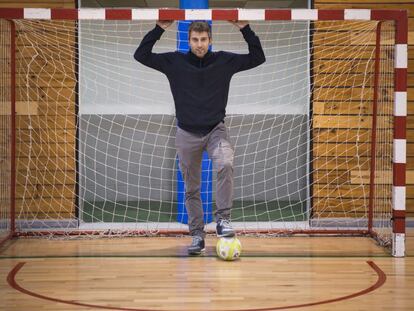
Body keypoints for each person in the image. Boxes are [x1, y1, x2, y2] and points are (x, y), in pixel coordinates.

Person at [134, 19, 265, 255]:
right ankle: (197, 235)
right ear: (189, 40)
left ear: (210, 40)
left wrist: (245, 29)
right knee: (191, 188)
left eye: (203, 40)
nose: (199, 44)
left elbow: (258, 57)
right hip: (186, 132)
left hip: (216, 130)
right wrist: (159, 28)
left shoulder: (224, 60)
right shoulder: (174, 61)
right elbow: (141, 55)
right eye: (195, 39)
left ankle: (223, 220)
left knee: (225, 163)